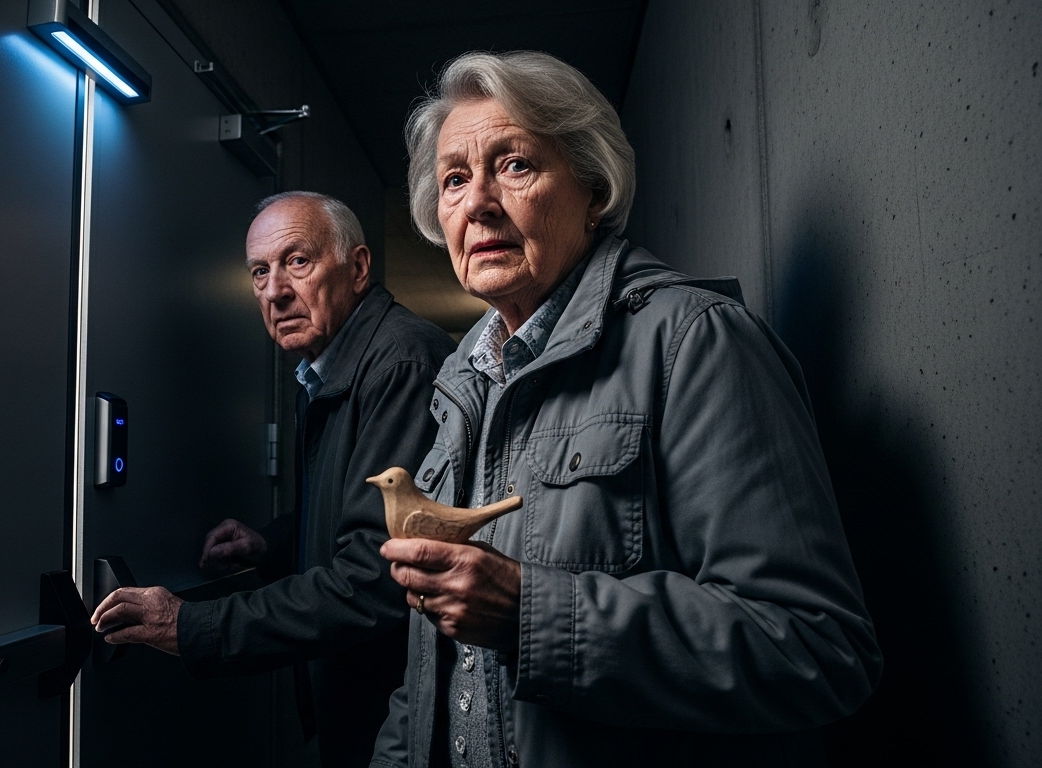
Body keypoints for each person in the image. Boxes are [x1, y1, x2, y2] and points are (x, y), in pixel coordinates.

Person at [370, 51, 883, 767]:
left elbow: (816, 647)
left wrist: (530, 615)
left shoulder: (694, 341)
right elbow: (435, 671)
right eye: (455, 179)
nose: (477, 201)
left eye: (513, 164)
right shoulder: (461, 382)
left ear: (595, 190)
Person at [92, 191, 457, 767]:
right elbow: (357, 514)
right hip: (362, 699)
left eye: (298, 261)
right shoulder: (329, 368)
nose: (275, 291)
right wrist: (273, 544)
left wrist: (194, 625)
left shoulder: (400, 364)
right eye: (259, 271)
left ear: (358, 267)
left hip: (397, 712)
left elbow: (378, 575)